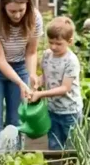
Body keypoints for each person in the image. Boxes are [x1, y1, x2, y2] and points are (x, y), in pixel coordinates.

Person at [0, 0, 44, 150]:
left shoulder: (34, 18)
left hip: (20, 66)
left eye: (21, 10)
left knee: (16, 122)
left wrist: (31, 75)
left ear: (27, 6)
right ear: (3, 8)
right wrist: (21, 83)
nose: (17, 15)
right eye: (12, 11)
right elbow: (0, 60)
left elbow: (31, 52)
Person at [30, 16, 83, 150]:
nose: (53, 47)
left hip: (70, 112)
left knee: (72, 146)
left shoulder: (71, 61)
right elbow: (46, 76)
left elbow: (65, 88)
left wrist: (40, 94)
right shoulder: (47, 55)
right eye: (50, 42)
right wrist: (37, 83)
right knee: (54, 144)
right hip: (52, 110)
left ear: (70, 41)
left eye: (59, 44)